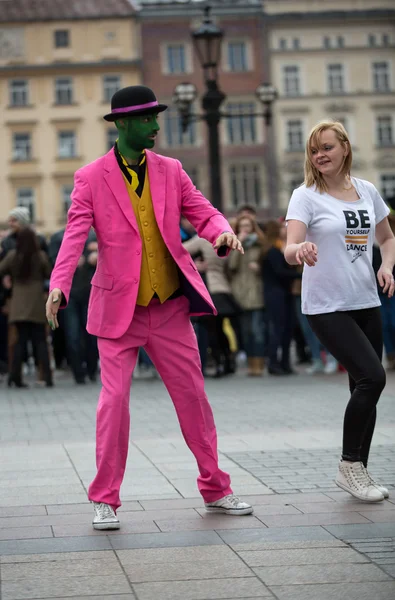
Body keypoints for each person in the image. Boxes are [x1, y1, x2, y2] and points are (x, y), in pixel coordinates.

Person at [46, 85, 253, 530]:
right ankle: (105, 499)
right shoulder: (90, 178)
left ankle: (216, 488)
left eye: (156, 118)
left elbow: (202, 210)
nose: (156, 126)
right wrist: (59, 285)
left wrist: (220, 231)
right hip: (119, 311)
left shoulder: (171, 170)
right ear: (122, 124)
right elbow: (74, 237)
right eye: (146, 119)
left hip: (170, 308)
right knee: (114, 401)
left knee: (194, 398)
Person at [285, 119, 395, 502]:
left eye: (327, 148)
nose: (320, 156)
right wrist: (299, 250)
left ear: (345, 147)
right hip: (326, 305)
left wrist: (386, 265)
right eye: (315, 150)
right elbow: (289, 245)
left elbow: (387, 236)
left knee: (362, 387)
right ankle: (350, 466)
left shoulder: (366, 190)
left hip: (365, 300)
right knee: (373, 378)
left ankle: (359, 472)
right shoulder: (306, 196)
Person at [0, 227, 52, 388]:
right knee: (40, 341)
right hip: (37, 302)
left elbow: (1, 270)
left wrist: (7, 282)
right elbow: (50, 273)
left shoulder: (12, 256)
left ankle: (14, 377)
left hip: (18, 304)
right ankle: (48, 377)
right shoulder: (40, 256)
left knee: (19, 341)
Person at [227, 214, 266, 376]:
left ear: (253, 227)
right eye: (242, 226)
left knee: (257, 331)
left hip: (256, 293)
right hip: (240, 294)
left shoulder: (260, 245)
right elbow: (231, 265)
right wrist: (238, 243)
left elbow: (268, 267)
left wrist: (259, 268)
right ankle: (251, 365)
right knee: (245, 332)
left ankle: (259, 364)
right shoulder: (234, 245)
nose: (245, 229)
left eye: (247, 226)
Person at [262, 220, 300, 375]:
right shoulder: (272, 251)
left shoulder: (279, 249)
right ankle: (273, 363)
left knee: (288, 328)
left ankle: (285, 362)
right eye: (282, 228)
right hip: (275, 294)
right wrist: (301, 275)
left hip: (285, 293)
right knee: (278, 328)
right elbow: (280, 272)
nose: (286, 230)